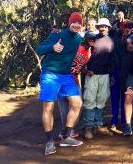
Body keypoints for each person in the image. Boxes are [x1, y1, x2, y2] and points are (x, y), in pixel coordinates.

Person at [36, 12, 84, 156]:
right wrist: (52, 48)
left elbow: (94, 36)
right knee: (49, 106)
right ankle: (50, 142)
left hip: (66, 76)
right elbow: (39, 49)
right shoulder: (57, 34)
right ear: (69, 23)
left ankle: (65, 135)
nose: (76, 25)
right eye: (74, 22)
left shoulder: (79, 38)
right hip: (50, 74)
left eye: (79, 23)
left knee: (77, 103)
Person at [57, 31, 97, 139]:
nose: (92, 41)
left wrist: (86, 72)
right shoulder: (76, 46)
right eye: (90, 38)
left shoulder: (89, 52)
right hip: (62, 79)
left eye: (94, 39)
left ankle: (70, 130)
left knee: (78, 106)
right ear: (86, 39)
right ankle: (64, 131)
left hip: (74, 80)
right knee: (64, 108)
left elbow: (80, 66)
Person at [82, 18, 115, 139]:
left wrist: (111, 75)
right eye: (100, 26)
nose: (103, 28)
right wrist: (85, 70)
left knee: (102, 99)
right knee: (89, 99)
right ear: (97, 27)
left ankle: (98, 124)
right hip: (92, 74)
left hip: (105, 74)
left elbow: (111, 59)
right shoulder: (92, 39)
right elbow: (82, 55)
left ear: (109, 28)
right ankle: (88, 127)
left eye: (105, 26)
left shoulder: (111, 41)